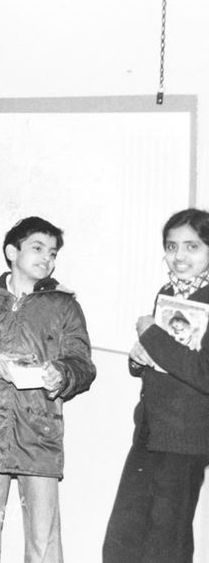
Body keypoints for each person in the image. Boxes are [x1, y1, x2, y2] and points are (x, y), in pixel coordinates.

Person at [0, 216, 96, 563]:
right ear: (12, 251)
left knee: (43, 537)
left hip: (39, 430)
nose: (47, 258)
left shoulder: (64, 305)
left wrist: (63, 373)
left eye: (52, 252)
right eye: (37, 248)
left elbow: (82, 363)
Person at [103, 208, 209, 563]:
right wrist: (139, 356)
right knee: (124, 539)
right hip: (150, 431)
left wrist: (151, 334)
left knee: (168, 542)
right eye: (171, 246)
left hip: (187, 438)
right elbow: (165, 359)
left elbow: (203, 372)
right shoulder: (168, 292)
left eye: (192, 247)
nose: (179, 256)